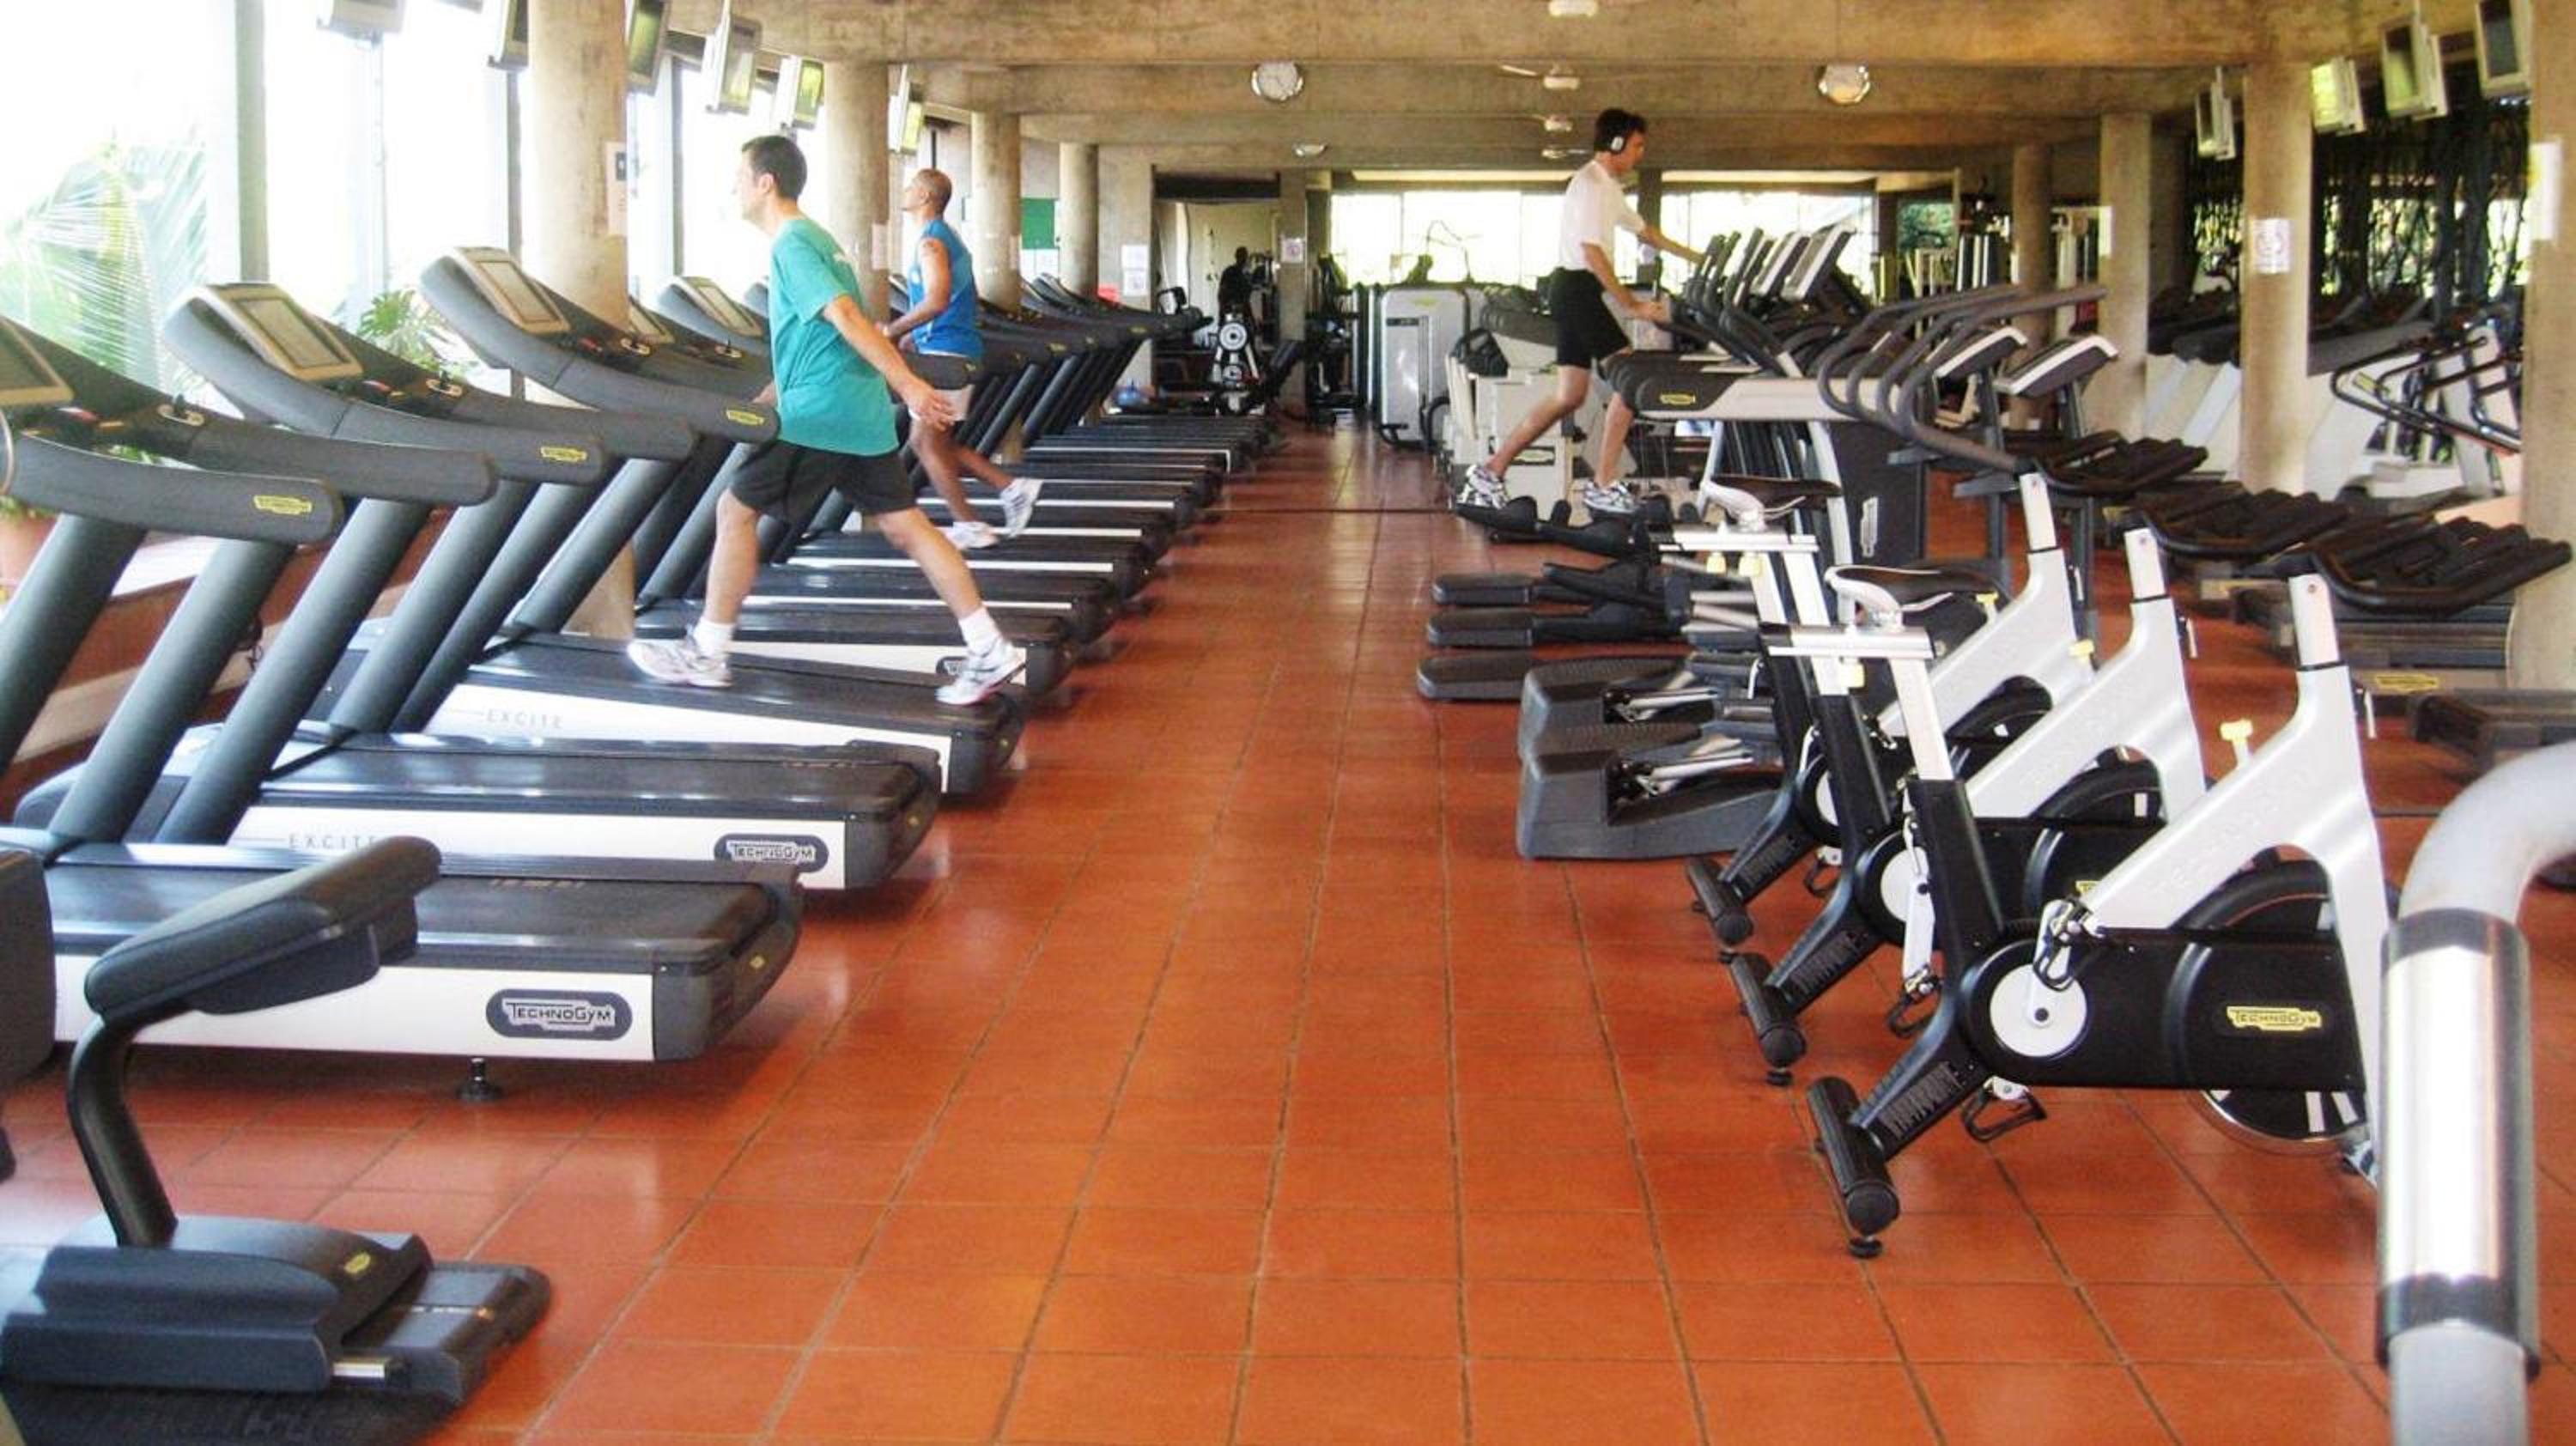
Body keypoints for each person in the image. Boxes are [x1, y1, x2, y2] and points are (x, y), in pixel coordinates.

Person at [626, 134, 1025, 706]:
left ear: (766, 183)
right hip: (855, 410)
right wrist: (766, 398)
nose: (733, 190)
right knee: (908, 526)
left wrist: (909, 384)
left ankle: (708, 652)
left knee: (735, 511)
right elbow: (815, 337)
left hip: (817, 417)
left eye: (739, 179)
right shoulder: (818, 239)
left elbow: (844, 317)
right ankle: (989, 646)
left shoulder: (792, 245)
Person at [1455, 107, 1703, 516]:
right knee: (1630, 381)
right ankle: (1603, 484)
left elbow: (1646, 232)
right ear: (1617, 144)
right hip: (1576, 289)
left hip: (1575, 290)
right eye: (1637, 145)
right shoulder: (1589, 185)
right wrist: (1633, 305)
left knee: (1569, 395)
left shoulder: (1608, 187)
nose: (1640, 154)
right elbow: (1591, 252)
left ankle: (1490, 471)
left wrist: (1699, 258)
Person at [884, 166, 1042, 551]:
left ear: (925, 196)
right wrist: (915, 336)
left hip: (947, 355)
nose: (905, 190)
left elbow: (937, 299)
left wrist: (894, 329)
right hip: (946, 347)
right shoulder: (942, 237)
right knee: (934, 442)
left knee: (925, 442)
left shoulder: (931, 243)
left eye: (911, 186)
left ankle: (972, 523)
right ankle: (1010, 488)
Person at [1217, 246, 1255, 317]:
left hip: (1239, 307)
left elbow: (1247, 295)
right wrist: (1224, 309)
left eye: (1244, 257)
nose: (1243, 260)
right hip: (1231, 308)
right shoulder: (1230, 272)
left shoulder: (1244, 274)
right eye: (1242, 257)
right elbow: (1222, 292)